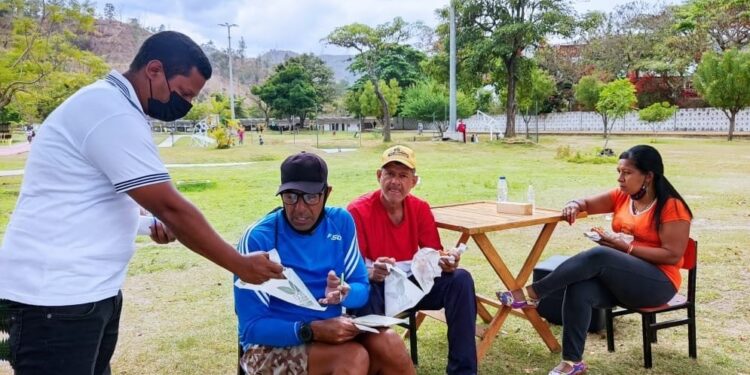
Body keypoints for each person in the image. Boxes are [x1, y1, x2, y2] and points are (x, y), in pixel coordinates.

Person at [0, 31, 283, 375]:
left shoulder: (118, 108)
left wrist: (146, 225)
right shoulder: (108, 111)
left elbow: (88, 200)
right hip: (55, 298)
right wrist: (238, 263)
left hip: (89, 294)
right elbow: (171, 206)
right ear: (153, 70)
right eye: (182, 94)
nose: (185, 105)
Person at [497, 145, 693, 375]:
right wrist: (574, 204)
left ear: (648, 176)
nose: (620, 179)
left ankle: (533, 294)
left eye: (627, 173)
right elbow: (586, 204)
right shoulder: (622, 196)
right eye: (618, 172)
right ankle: (573, 363)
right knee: (579, 288)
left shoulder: (671, 207)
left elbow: (673, 255)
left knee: (601, 255)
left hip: (658, 284)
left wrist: (625, 247)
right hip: (623, 280)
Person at [235, 152, 415, 375]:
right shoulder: (258, 238)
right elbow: (251, 328)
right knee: (352, 358)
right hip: (270, 345)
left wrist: (344, 293)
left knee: (389, 343)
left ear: (327, 193)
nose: (300, 208)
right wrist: (311, 331)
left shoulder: (340, 222)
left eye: (311, 197)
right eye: (290, 196)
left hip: (330, 329)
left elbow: (361, 286)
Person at [347, 145, 478, 375]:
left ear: (414, 181)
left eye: (403, 175)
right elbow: (350, 270)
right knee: (364, 295)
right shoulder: (358, 210)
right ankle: (376, 365)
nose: (395, 182)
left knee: (461, 280)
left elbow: (433, 255)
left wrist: (447, 263)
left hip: (412, 284)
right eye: (389, 174)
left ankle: (463, 371)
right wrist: (371, 272)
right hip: (377, 284)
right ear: (379, 176)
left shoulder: (420, 208)